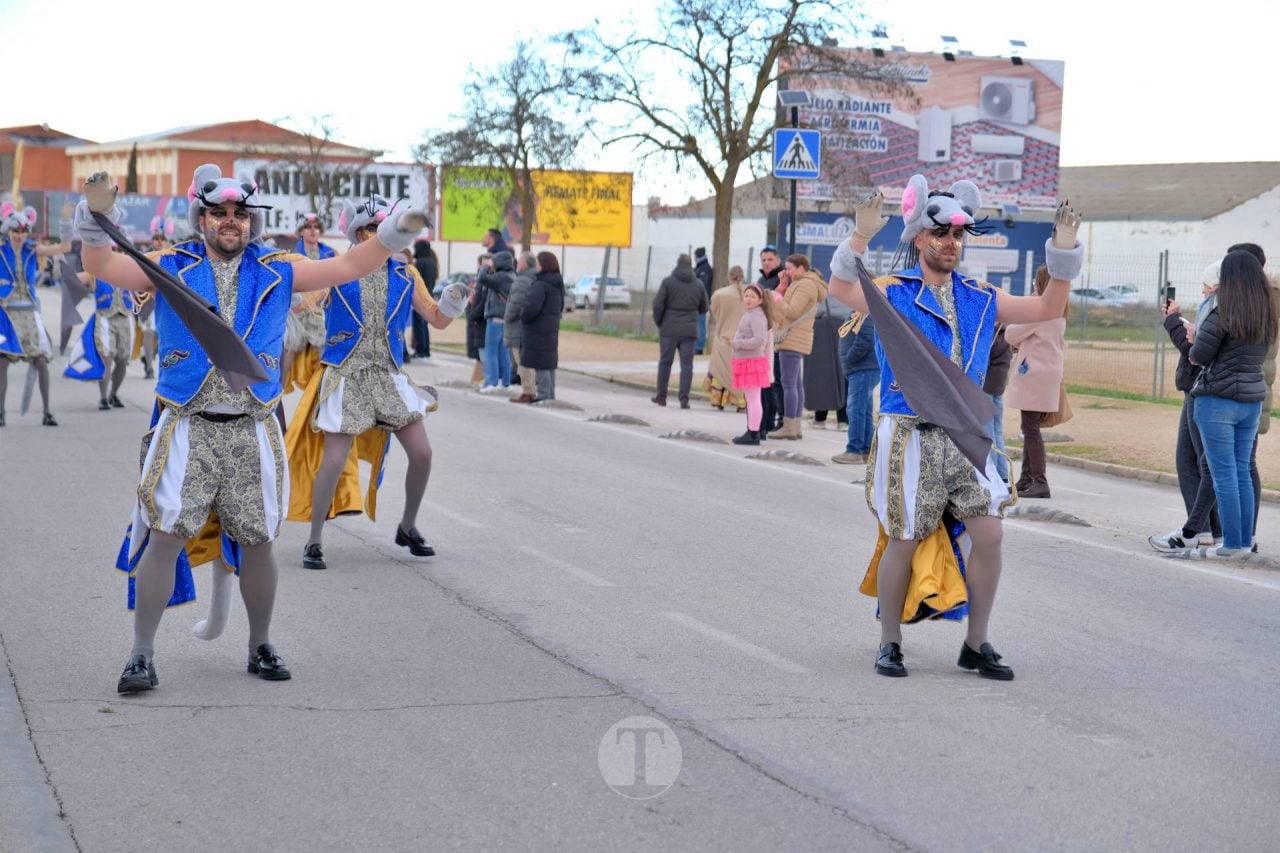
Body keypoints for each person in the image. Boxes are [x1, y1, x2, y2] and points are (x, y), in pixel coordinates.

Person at [73, 165, 438, 693]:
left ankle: (259, 644)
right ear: (202, 216)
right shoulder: (170, 265)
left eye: (240, 214)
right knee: (165, 537)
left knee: (259, 541)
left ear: (252, 221)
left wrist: (397, 232)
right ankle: (141, 653)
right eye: (219, 213)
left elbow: (352, 263)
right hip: (187, 426)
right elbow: (103, 264)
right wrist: (95, 219)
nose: (230, 222)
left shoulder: (279, 268)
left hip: (253, 429)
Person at [826, 175, 1085, 680]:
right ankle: (890, 641)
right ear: (920, 237)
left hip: (966, 436)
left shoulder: (981, 296)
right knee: (903, 537)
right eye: (941, 233)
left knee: (989, 534)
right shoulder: (891, 293)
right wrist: (860, 237)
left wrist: (1062, 252)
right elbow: (838, 288)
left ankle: (976, 642)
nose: (951, 243)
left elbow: (1049, 309)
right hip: (909, 433)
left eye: (959, 235)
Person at [289, 194, 462, 571]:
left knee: (422, 454)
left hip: (387, 375)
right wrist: (290, 298)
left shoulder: (405, 274)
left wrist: (452, 301)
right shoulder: (338, 269)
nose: (372, 236)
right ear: (356, 232)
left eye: (378, 229)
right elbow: (308, 299)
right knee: (333, 461)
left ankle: (408, 526)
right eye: (366, 230)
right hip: (346, 374)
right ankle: (314, 539)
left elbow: (437, 320)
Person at [1187, 249, 1278, 555]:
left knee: (1223, 474)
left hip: (1217, 400)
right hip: (1251, 400)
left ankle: (1231, 546)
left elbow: (1199, 355)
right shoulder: (1267, 313)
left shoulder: (1222, 311)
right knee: (1241, 471)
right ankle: (1242, 542)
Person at [1149, 261, 1223, 551]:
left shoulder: (1217, 309)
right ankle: (1210, 529)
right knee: (1195, 461)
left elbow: (1196, 353)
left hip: (1201, 389)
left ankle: (1201, 529)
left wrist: (1173, 322)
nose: (1203, 291)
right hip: (1197, 388)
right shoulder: (1222, 308)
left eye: (1205, 286)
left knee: (1197, 462)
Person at [1225, 242, 1275, 551]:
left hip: (1245, 390)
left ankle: (1240, 537)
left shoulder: (1255, 303)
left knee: (1240, 466)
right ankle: (1245, 535)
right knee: (1243, 465)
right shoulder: (1264, 301)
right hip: (1255, 389)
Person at [1004, 266, 1069, 499]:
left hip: (1034, 375)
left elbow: (1011, 334)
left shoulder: (1041, 312)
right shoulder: (1059, 312)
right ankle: (1027, 477)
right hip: (1047, 375)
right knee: (1030, 427)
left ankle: (1040, 481)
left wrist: (1029, 305)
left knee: (1030, 430)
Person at [0, 204, 67, 426]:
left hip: (29, 313)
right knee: (2, 361)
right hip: (6, 314)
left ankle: (47, 412)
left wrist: (66, 224)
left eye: (23, 231)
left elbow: (63, 247)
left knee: (40, 360)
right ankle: (1, 412)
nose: (19, 235)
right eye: (15, 231)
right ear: (8, 230)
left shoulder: (32, 249)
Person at [769, 254, 828, 440]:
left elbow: (792, 311)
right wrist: (784, 286)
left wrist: (777, 298)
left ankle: (789, 426)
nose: (787, 271)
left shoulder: (805, 285)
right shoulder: (803, 282)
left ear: (802, 267)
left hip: (793, 337)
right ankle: (795, 426)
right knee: (794, 383)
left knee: (789, 384)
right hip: (797, 337)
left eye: (790, 268)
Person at [63, 266, 136, 409]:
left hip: (126, 319)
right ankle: (103, 398)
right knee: (106, 358)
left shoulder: (130, 271)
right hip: (104, 319)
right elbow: (71, 279)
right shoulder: (96, 273)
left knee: (122, 360)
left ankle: (113, 394)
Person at [281, 212, 334, 394]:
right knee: (285, 352)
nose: (312, 230)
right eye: (308, 227)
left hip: (320, 315)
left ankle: (319, 401)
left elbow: (335, 281)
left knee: (323, 359)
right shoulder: (292, 254)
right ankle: (275, 396)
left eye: (316, 227)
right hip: (294, 312)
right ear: (301, 231)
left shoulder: (330, 254)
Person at [650, 253, 708, 409]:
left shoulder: (667, 282)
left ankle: (661, 396)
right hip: (689, 330)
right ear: (691, 266)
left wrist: (660, 322)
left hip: (669, 329)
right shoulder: (699, 284)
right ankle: (684, 399)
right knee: (687, 365)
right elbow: (704, 307)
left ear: (677, 264)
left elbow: (657, 305)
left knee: (665, 362)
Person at [729, 282, 777, 445]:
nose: (748, 299)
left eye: (752, 296)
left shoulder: (757, 316)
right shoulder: (751, 314)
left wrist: (737, 343)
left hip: (752, 362)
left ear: (760, 299)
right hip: (747, 360)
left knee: (754, 398)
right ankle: (752, 429)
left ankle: (753, 432)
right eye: (746, 295)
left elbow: (759, 341)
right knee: (751, 398)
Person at [831, 311, 877, 464]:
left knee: (855, 409)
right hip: (862, 368)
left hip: (863, 367)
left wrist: (850, 359)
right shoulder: (859, 312)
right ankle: (865, 450)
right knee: (864, 410)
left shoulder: (867, 312)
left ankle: (854, 450)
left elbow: (866, 339)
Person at [521, 252, 565, 404]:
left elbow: (531, 308)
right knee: (548, 362)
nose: (536, 266)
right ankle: (550, 394)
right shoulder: (557, 284)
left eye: (538, 263)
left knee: (540, 363)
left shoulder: (540, 284)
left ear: (544, 265)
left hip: (538, 329)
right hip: (550, 328)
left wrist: (523, 316)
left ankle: (544, 395)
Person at [706, 265, 747, 412]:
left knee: (720, 370)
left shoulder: (719, 294)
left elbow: (715, 312)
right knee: (740, 373)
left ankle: (719, 400)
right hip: (743, 339)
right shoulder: (749, 294)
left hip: (724, 337)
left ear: (729, 277)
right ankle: (742, 402)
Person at [805, 293, 849, 430]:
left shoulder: (825, 297)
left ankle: (820, 419)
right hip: (845, 337)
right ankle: (843, 420)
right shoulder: (850, 296)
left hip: (824, 341)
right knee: (842, 379)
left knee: (823, 378)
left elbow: (815, 313)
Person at [477, 250, 515, 393]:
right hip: (506, 320)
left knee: (491, 351)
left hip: (495, 319)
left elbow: (481, 278)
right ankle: (505, 382)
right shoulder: (511, 276)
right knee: (503, 353)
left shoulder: (500, 277)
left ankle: (491, 382)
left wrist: (485, 266)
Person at [757, 245, 784, 431]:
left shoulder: (781, 280)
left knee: (778, 379)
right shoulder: (760, 280)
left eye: (770, 259)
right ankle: (767, 417)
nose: (766, 263)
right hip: (763, 334)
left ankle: (781, 418)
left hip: (778, 335)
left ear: (778, 260)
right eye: (764, 260)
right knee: (766, 379)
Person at [506, 251, 538, 404]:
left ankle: (528, 392)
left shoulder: (522, 281)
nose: (517, 263)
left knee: (521, 360)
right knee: (525, 360)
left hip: (517, 328)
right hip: (528, 328)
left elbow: (515, 304)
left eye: (519, 261)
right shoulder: (535, 278)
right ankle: (530, 390)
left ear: (524, 264)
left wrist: (508, 316)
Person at [982, 325, 1012, 483]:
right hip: (998, 387)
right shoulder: (1007, 336)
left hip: (986, 387)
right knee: (997, 431)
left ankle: (991, 473)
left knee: (988, 432)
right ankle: (1002, 473)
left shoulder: (991, 336)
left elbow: (982, 361)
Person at [411, 240, 439, 359]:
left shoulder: (420, 263)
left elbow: (415, 280)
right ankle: (426, 349)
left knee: (418, 323)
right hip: (429, 296)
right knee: (424, 324)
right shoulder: (432, 263)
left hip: (420, 297)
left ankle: (420, 350)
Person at [465, 254, 489, 386]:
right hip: (475, 321)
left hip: (481, 320)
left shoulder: (487, 282)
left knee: (483, 354)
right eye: (482, 265)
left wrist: (474, 314)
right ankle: (477, 379)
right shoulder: (475, 282)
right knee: (479, 353)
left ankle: (479, 380)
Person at [693, 246, 713, 354]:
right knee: (697, 323)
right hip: (697, 300)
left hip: (701, 301)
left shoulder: (704, 269)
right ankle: (696, 345)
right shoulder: (699, 268)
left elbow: (703, 286)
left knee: (700, 323)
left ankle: (699, 347)